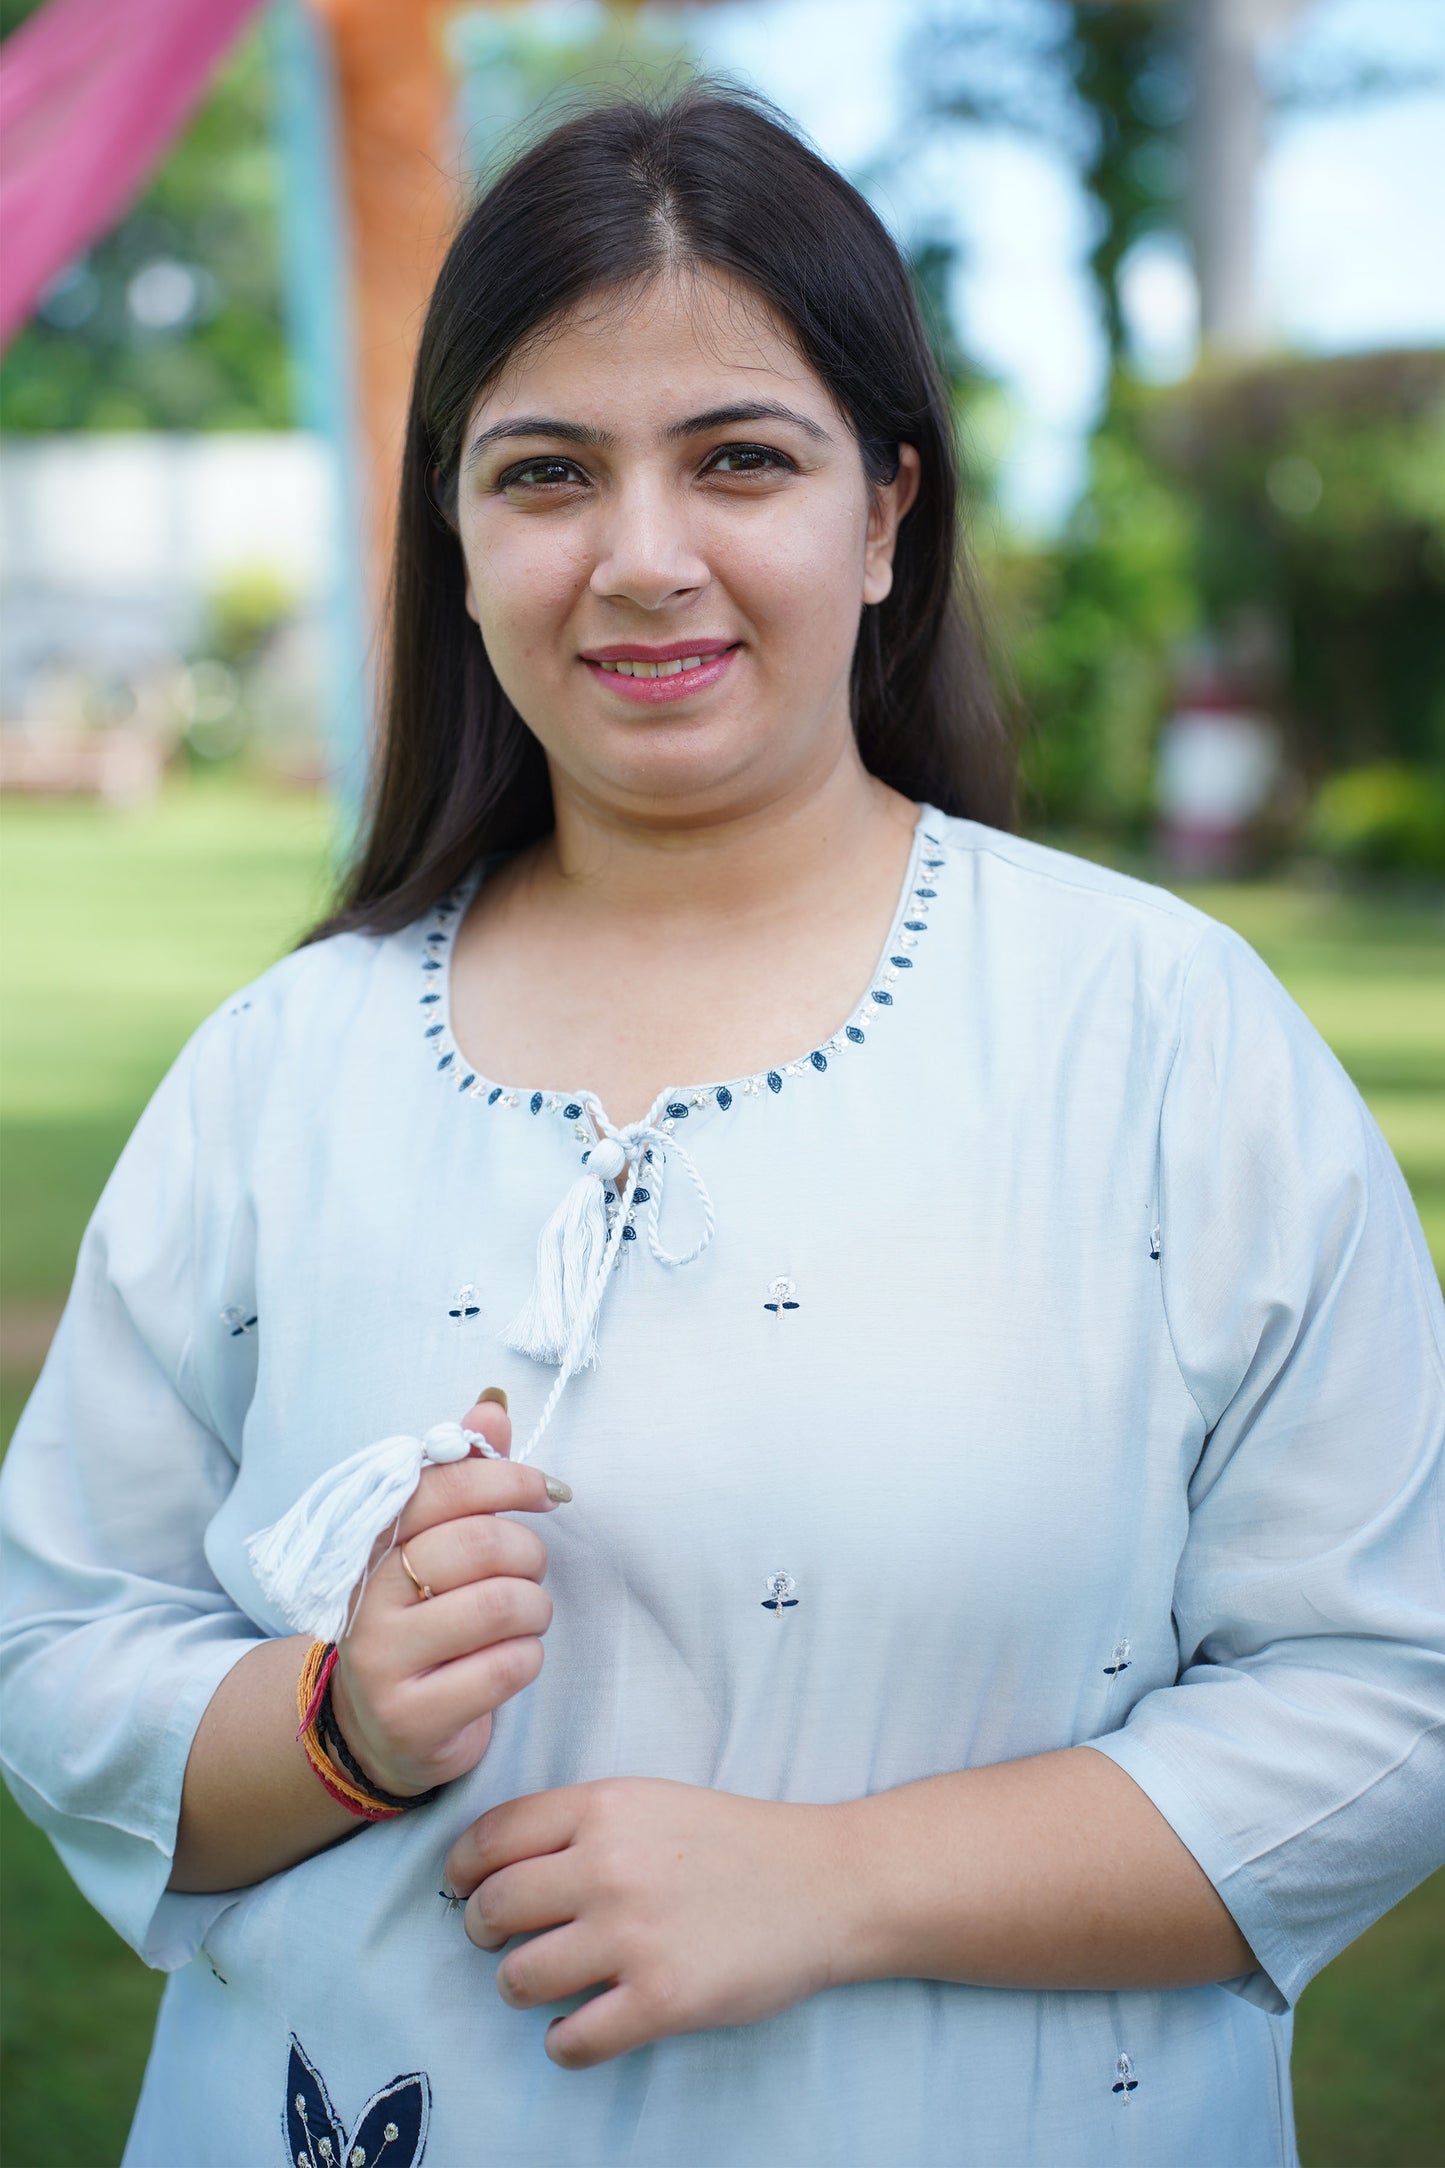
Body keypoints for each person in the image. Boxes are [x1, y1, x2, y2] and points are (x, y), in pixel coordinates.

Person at [2, 84, 1442, 2168]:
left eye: (740, 459)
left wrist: (839, 1880)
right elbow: (58, 1643)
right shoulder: (279, 1069)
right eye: (549, 473)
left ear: (883, 517)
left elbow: (1390, 1688)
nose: (642, 556)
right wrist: (340, 1724)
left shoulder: (1160, 1037)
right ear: (460, 537)